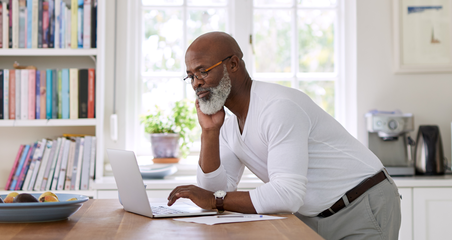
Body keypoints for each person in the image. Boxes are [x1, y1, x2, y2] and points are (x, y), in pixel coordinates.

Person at [167, 32, 401, 240]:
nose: (197, 83)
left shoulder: (278, 107)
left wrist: (215, 199)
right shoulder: (228, 126)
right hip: (313, 215)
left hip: (361, 204)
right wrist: (209, 132)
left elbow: (286, 194)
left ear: (234, 64)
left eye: (203, 71)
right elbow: (216, 189)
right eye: (190, 76)